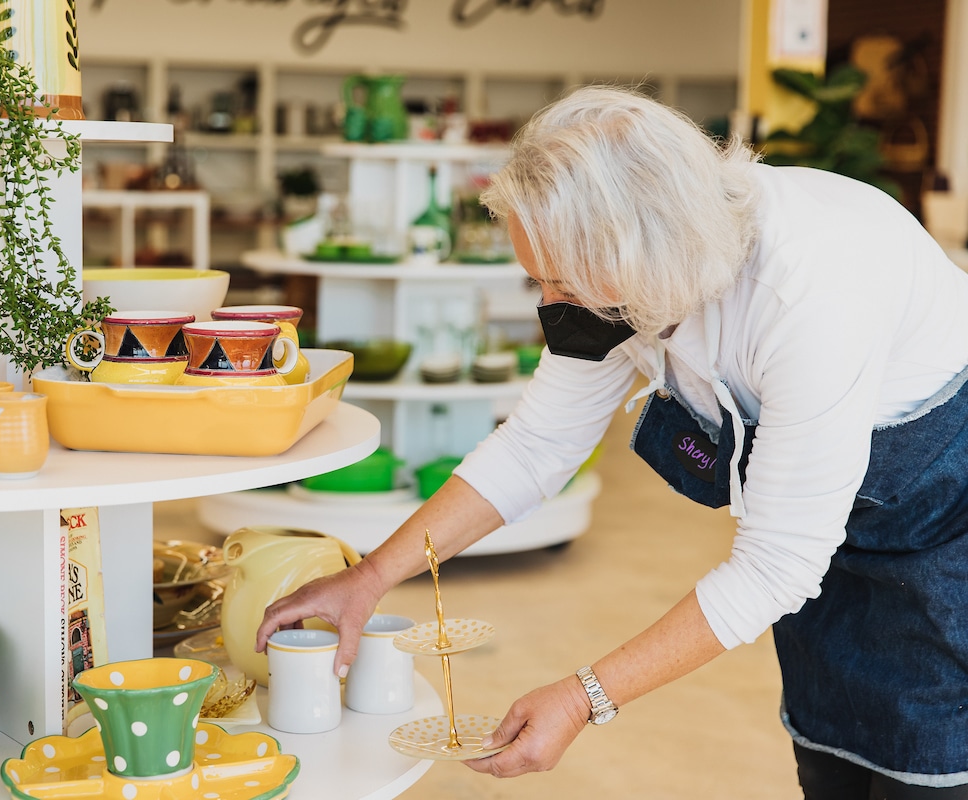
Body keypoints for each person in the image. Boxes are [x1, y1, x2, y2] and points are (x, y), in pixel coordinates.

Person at [255, 86, 968, 797]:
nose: (549, 308)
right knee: (834, 755)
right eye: (537, 281)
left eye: (562, 285)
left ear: (650, 256)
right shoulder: (625, 279)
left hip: (945, 535)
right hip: (832, 545)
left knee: (929, 770)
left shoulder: (807, 297)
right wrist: (371, 576)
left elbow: (777, 565)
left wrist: (584, 695)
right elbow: (536, 445)